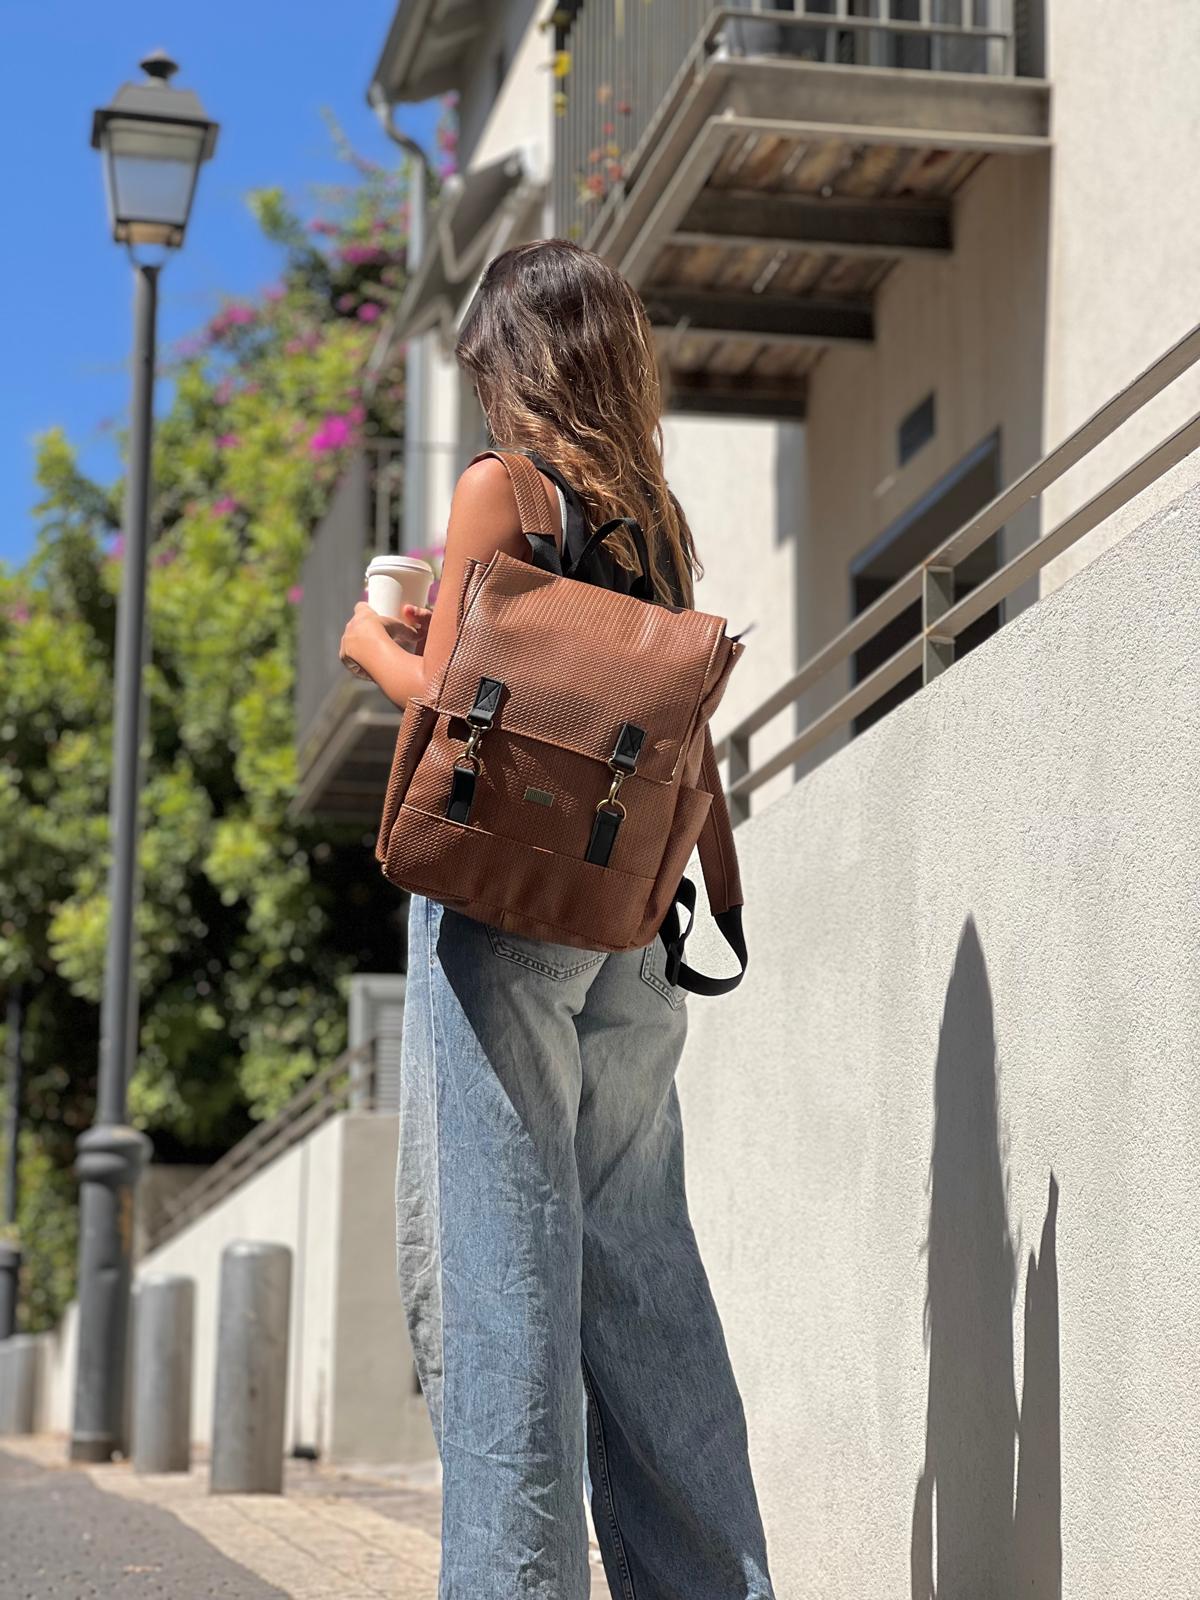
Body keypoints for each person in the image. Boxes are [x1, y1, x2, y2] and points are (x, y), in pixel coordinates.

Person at [339, 240, 775, 1600]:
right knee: (647, 1284)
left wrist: (367, 635)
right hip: (636, 937)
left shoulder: (503, 491)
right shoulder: (654, 516)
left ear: (516, 372)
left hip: (508, 916)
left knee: (505, 1284)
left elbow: (442, 707)